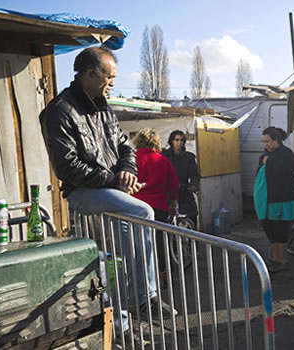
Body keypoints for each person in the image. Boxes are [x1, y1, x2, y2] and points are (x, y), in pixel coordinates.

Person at [39, 46, 177, 332]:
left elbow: (126, 147)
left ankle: (123, 326)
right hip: (82, 193)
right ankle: (145, 296)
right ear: (90, 74)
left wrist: (127, 171)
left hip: (110, 193)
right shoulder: (59, 111)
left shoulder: (104, 108)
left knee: (117, 263)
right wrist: (114, 180)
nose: (113, 83)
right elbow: (67, 168)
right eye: (109, 77)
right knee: (142, 210)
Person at [132, 128, 179, 276]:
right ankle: (164, 274)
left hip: (135, 206)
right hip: (159, 206)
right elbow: (173, 184)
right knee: (160, 242)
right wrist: (173, 204)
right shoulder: (163, 160)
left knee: (137, 242)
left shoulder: (132, 159)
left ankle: (141, 274)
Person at [253, 127, 294, 271]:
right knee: (270, 230)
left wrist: (269, 162)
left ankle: (282, 259)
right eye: (264, 141)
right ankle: (274, 258)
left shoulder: (286, 155)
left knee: (280, 231)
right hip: (266, 201)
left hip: (280, 201)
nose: (266, 144)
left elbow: (286, 173)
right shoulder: (265, 156)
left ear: (276, 141)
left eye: (268, 141)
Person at [162, 130, 201, 229]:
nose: (179, 143)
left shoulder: (189, 157)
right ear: (171, 141)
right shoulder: (165, 156)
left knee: (192, 214)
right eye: (177, 140)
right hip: (168, 191)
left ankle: (193, 240)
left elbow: (194, 174)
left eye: (182, 140)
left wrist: (194, 185)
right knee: (166, 217)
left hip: (184, 189)